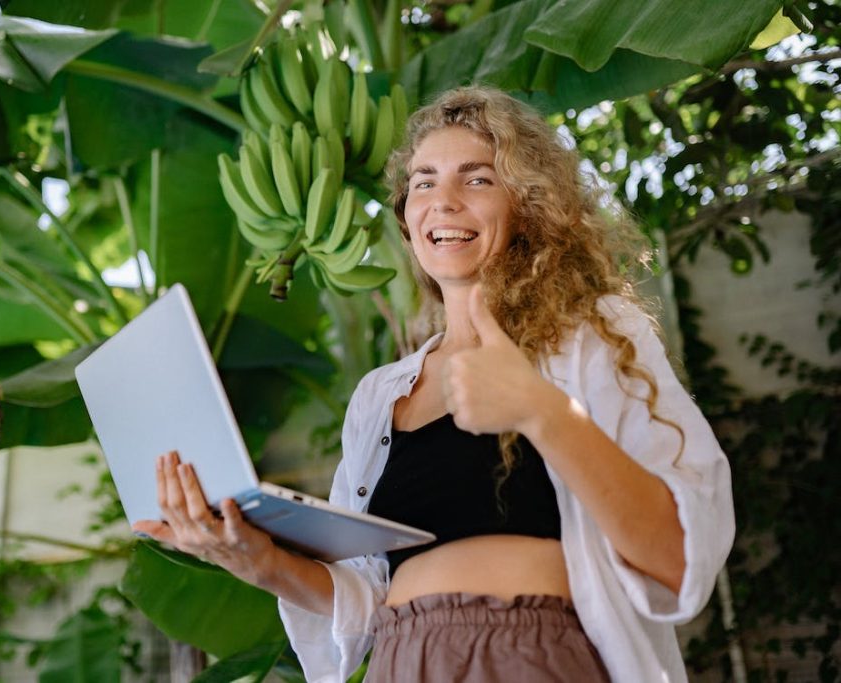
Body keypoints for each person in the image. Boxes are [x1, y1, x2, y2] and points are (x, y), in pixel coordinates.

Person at [132, 85, 735, 682]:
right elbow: (367, 594)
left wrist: (542, 413)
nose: (441, 201)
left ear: (529, 205)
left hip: (529, 656)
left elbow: (679, 559)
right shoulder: (380, 395)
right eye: (423, 182)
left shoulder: (596, 337)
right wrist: (258, 561)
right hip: (401, 660)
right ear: (405, 219)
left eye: (476, 179)